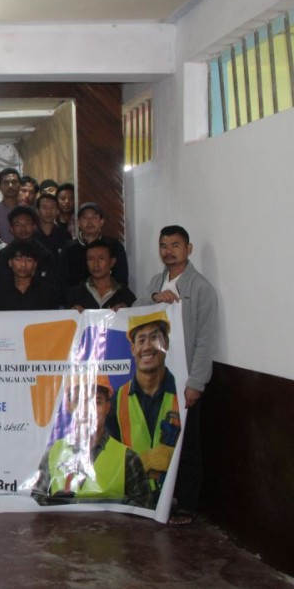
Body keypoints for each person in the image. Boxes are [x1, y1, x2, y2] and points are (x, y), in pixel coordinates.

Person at [137, 225, 218, 525]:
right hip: (156, 379)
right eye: (163, 245)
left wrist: (196, 383)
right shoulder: (156, 283)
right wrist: (155, 298)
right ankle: (162, 495)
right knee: (160, 439)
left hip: (185, 381)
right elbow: (135, 310)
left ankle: (186, 504)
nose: (168, 251)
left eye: (175, 245)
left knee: (188, 445)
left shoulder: (200, 288)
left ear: (188, 249)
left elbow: (205, 340)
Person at [32, 378, 151, 508]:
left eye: (96, 402)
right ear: (68, 406)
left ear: (108, 407)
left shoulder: (129, 459)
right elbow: (36, 506)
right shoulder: (53, 454)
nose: (86, 410)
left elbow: (143, 512)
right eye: (78, 401)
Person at [108, 311, 182, 509]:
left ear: (166, 344)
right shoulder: (117, 399)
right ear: (133, 349)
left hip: (172, 501)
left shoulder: (182, 394)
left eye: (154, 338)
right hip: (131, 500)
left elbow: (192, 457)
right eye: (141, 340)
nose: (148, 346)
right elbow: (109, 456)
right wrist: (141, 464)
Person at [59, 202, 128, 295]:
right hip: (76, 304)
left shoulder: (114, 246)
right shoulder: (68, 248)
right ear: (78, 223)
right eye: (85, 218)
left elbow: (121, 279)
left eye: (94, 217)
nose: (90, 221)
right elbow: (63, 281)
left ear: (101, 222)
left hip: (108, 302)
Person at [66, 239, 136, 310]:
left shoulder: (125, 294)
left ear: (112, 262)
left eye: (101, 259)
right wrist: (73, 313)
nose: (96, 264)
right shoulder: (77, 294)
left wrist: (126, 312)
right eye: (91, 259)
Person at [0, 241, 56, 311]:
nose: (23, 265)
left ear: (35, 264)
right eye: (18, 259)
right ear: (10, 262)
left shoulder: (46, 291)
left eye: (29, 260)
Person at [34, 193, 71, 263]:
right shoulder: (31, 235)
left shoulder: (65, 235)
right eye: (45, 208)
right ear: (37, 211)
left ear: (57, 211)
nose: (48, 212)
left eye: (52, 208)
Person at [0, 168, 22, 242]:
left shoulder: (28, 211)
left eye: (14, 182)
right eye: (6, 183)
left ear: (20, 186)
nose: (10, 186)